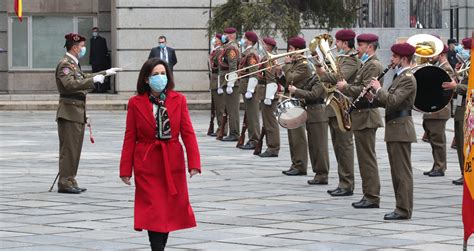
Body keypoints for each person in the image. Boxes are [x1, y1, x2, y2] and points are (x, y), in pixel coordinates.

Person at [119, 58, 201, 251]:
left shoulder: (178, 99)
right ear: (146, 79)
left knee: (168, 210)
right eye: (155, 74)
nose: (160, 78)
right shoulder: (135, 102)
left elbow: (187, 132)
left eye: (163, 74)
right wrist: (125, 170)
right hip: (147, 162)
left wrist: (194, 163)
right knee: (154, 209)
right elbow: (129, 137)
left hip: (172, 161)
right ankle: (157, 248)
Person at [55, 33, 119, 194]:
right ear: (75, 47)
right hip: (69, 111)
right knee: (69, 149)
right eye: (82, 46)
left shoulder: (74, 65)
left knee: (75, 148)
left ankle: (70, 179)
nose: (84, 49)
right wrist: (93, 81)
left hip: (76, 111)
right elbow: (69, 84)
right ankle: (64, 182)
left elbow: (84, 77)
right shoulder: (65, 64)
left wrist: (105, 73)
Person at [370, 42, 417, 220]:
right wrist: (374, 96)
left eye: (395, 57)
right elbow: (387, 100)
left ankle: (404, 209)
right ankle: (400, 207)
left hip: (401, 129)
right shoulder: (399, 76)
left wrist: (379, 89)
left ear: (404, 59)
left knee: (402, 172)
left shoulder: (408, 78)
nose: (391, 60)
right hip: (395, 128)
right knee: (396, 171)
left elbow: (393, 101)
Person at [336, 33, 384, 207]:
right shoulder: (367, 63)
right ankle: (368, 195)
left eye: (361, 45)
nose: (358, 48)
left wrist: (345, 87)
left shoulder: (373, 65)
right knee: (364, 159)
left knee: (367, 159)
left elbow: (364, 89)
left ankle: (372, 196)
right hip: (362, 116)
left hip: (367, 116)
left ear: (370, 47)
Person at [316, 29, 359, 196]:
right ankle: (342, 182)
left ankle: (347, 184)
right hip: (334, 107)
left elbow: (340, 77)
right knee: (338, 147)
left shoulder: (352, 60)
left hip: (344, 106)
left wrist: (323, 73)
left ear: (345, 43)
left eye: (338, 42)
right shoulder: (342, 58)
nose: (336, 45)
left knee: (345, 147)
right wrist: (321, 64)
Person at [289, 64, 330, 184]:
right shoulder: (314, 77)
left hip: (318, 112)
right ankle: (318, 173)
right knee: (313, 146)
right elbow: (304, 88)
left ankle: (322, 174)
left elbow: (314, 94)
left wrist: (296, 91)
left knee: (319, 147)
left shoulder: (322, 78)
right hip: (311, 112)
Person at [422, 44, 457, 177]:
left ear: (441, 55)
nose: (431, 56)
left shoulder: (446, 68)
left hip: (439, 110)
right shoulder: (438, 68)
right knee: (433, 139)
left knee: (438, 140)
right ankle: (436, 164)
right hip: (433, 110)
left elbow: (445, 90)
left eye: (434, 53)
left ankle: (440, 166)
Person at [443, 37, 471, 186]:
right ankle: (463, 172)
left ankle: (467, 173)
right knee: (460, 144)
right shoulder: (466, 65)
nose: (464, 51)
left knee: (465, 145)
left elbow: (471, 88)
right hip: (461, 109)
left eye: (467, 49)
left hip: (468, 110)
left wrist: (456, 87)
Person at [281, 36, 311, 176]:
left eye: (291, 49)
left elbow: (291, 78)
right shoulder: (294, 63)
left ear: (298, 50)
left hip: (299, 103)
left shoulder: (303, 64)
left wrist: (286, 66)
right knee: (292, 136)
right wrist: (278, 73)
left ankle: (300, 165)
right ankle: (295, 163)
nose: (288, 52)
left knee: (298, 136)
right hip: (290, 101)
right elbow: (286, 82)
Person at [255, 36, 281, 157]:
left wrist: (269, 96)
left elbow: (271, 79)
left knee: (270, 123)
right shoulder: (267, 58)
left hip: (268, 94)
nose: (262, 46)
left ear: (269, 46)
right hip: (265, 93)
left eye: (264, 44)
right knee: (267, 122)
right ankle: (270, 146)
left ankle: (273, 148)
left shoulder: (269, 59)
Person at [238, 31, 261, 149]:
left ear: (250, 41)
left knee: (253, 116)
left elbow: (254, 73)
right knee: (250, 115)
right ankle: (252, 138)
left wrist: (251, 89)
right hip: (246, 86)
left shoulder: (251, 54)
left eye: (244, 38)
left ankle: (255, 140)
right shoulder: (247, 52)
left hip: (249, 88)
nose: (242, 39)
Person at [219, 27, 241, 142]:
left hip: (232, 82)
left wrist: (230, 83)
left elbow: (233, 66)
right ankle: (233, 132)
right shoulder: (228, 46)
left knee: (233, 110)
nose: (223, 36)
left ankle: (235, 133)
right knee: (230, 109)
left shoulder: (232, 48)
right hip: (227, 80)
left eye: (225, 34)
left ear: (231, 35)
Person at [209, 33, 227, 137]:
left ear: (220, 41)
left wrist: (220, 85)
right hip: (214, 81)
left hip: (218, 80)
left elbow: (220, 68)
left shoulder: (220, 51)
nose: (214, 40)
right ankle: (220, 127)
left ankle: (222, 129)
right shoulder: (216, 50)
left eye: (216, 39)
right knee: (217, 107)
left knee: (220, 108)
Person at [89, 27, 110, 93]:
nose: (94, 33)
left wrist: (104, 61)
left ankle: (101, 88)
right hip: (94, 61)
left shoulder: (102, 40)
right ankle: (95, 88)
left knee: (101, 75)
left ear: (98, 32)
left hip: (101, 62)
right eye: (93, 31)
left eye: (96, 31)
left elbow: (105, 50)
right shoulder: (91, 40)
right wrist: (91, 60)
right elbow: (91, 51)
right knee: (94, 75)